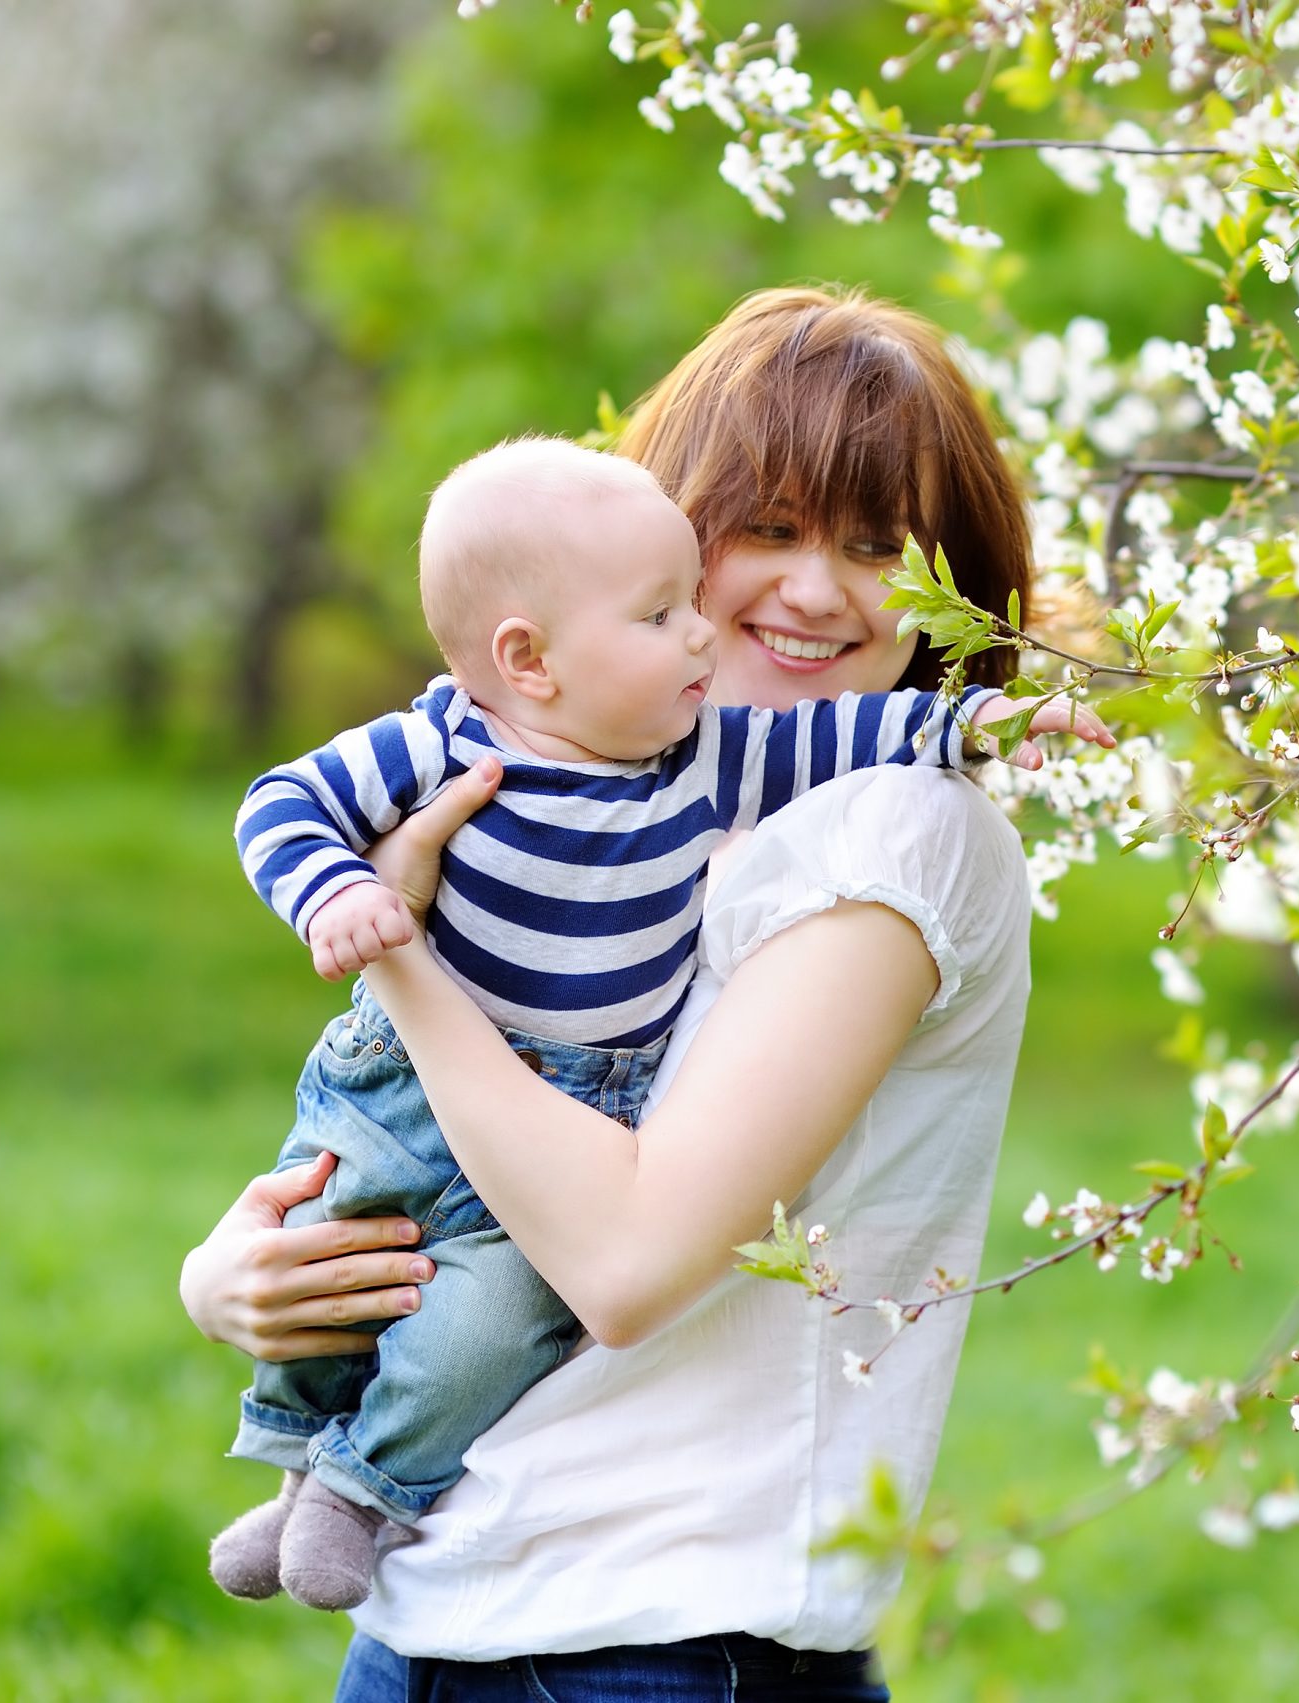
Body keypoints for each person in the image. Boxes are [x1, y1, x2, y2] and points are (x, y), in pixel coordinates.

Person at [181, 287, 1053, 1698]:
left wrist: (402, 948)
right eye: (765, 528)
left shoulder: (897, 829)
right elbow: (441, 1136)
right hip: (437, 1604)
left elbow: (630, 1263)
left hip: (652, 1637)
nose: (817, 590)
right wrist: (238, 1275)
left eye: (877, 547)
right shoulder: (618, 792)